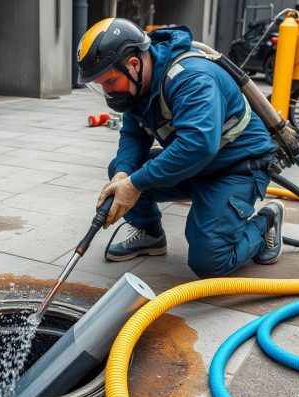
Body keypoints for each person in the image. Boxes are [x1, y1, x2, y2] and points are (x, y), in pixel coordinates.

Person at [76, 18, 285, 278]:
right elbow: (133, 135)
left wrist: (135, 184)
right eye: (100, 86)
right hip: (197, 163)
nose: (107, 93)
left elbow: (196, 146)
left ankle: (265, 221)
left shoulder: (193, 78)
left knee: (209, 261)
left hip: (237, 167)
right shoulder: (139, 83)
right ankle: (150, 235)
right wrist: (122, 174)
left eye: (109, 81)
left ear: (133, 64)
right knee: (122, 171)